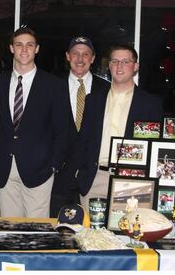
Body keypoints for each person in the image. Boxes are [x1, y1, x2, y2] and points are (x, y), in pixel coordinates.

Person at [72, 44, 164, 213]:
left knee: (128, 235)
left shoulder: (150, 103)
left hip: (132, 181)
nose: (119, 66)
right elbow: (83, 139)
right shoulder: (93, 100)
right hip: (95, 178)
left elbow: (156, 145)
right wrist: (79, 171)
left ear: (135, 66)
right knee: (91, 237)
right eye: (114, 61)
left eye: (125, 61)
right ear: (109, 66)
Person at [0, 27, 68, 218]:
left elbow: (63, 129)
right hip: (5, 169)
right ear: (11, 49)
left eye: (29, 45)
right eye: (19, 45)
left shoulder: (53, 84)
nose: (24, 50)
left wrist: (53, 166)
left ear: (37, 49)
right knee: (9, 231)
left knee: (37, 233)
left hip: (40, 170)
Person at [49, 36, 110, 217]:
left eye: (86, 54)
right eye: (75, 53)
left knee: (92, 230)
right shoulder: (52, 86)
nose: (80, 59)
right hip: (58, 174)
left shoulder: (106, 90)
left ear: (92, 58)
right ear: (68, 56)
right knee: (58, 228)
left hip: (91, 175)